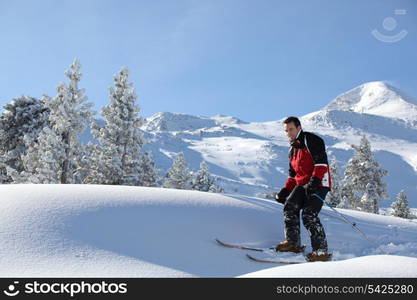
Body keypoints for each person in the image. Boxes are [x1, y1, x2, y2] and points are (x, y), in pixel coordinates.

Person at [274, 116, 332, 262]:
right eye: (286, 131)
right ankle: (293, 243)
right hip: (302, 184)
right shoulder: (292, 150)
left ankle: (321, 252)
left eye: (291, 129)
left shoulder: (311, 140)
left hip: (319, 183)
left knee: (308, 214)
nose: (289, 133)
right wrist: (285, 191)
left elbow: (321, 164)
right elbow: (293, 176)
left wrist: (315, 182)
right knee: (289, 207)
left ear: (299, 127)